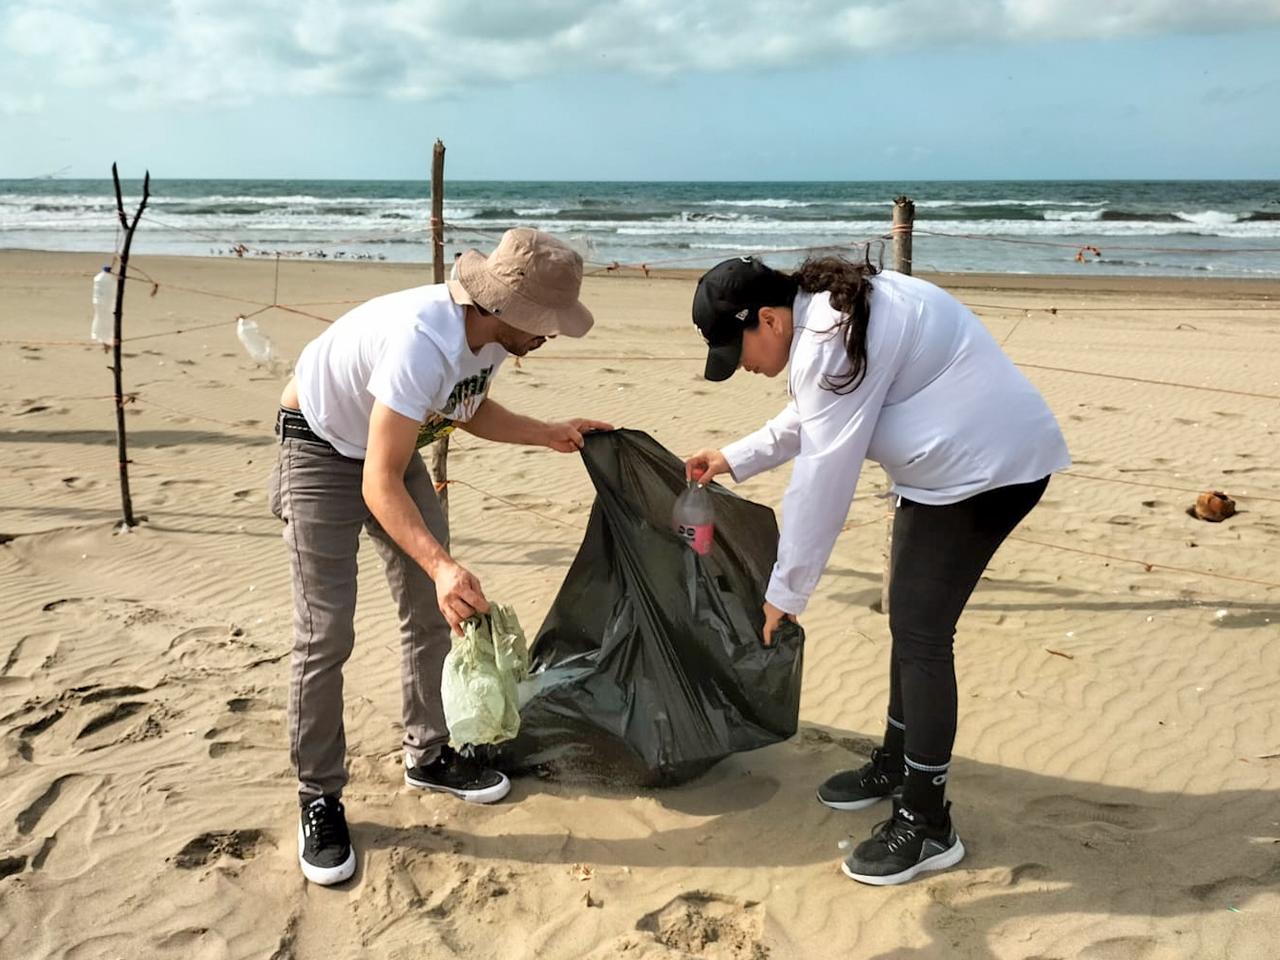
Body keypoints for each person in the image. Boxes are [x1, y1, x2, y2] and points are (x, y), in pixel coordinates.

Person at [683, 254, 1069, 886]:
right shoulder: (826, 319)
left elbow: (823, 477)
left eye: (740, 350)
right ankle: (896, 761)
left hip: (985, 469)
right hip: (946, 471)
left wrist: (785, 592)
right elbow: (816, 416)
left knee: (921, 632)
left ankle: (927, 822)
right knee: (910, 622)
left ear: (770, 320)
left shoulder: (828, 336)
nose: (745, 366)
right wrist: (731, 456)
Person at [269, 228, 612, 885]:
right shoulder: (422, 340)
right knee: (325, 633)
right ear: (506, 308)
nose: (551, 337)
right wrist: (441, 565)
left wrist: (549, 433)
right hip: (318, 446)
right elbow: (379, 480)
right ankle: (319, 796)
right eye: (546, 324)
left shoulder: (491, 338)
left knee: (433, 616)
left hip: (384, 453)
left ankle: (426, 755)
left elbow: (464, 409)